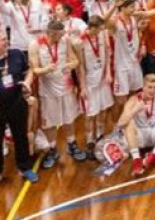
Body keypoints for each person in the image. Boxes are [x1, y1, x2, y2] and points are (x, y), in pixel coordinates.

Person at [29, 20, 88, 169]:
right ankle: (53, 149)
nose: (63, 36)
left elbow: (75, 60)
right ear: (51, 33)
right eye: (60, 34)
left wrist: (71, 65)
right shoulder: (35, 45)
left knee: (69, 118)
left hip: (65, 86)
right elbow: (34, 69)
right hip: (47, 90)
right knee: (49, 122)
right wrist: (46, 70)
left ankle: (71, 145)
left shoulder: (65, 40)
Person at [0, 32, 39, 183]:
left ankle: (24, 167)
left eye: (5, 38)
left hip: (16, 102)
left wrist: (27, 82)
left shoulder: (16, 54)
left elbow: (29, 70)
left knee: (20, 136)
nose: (6, 41)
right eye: (2, 40)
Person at [76, 15, 114, 154]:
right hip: (90, 81)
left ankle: (100, 134)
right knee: (90, 114)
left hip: (103, 78)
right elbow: (80, 67)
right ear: (91, 28)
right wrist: (83, 87)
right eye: (98, 29)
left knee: (103, 109)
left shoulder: (102, 35)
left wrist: (109, 73)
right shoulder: (80, 41)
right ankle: (89, 140)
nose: (101, 31)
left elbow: (107, 55)